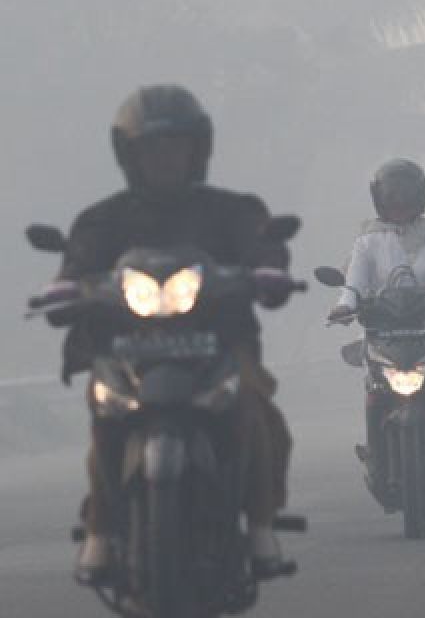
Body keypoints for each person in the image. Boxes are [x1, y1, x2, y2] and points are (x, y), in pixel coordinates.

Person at [55, 85, 295, 583]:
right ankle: (100, 529)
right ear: (130, 156)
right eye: (151, 150)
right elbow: (75, 268)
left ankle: (261, 527)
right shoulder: (102, 220)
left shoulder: (233, 211)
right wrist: (63, 290)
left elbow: (264, 249)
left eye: (175, 148)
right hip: (126, 353)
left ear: (197, 151)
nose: (164, 159)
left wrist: (270, 271)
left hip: (219, 346)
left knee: (255, 411)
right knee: (105, 415)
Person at [327, 158, 425, 428]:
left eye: (406, 195)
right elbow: (354, 282)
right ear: (379, 198)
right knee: (372, 382)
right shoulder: (368, 240)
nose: (399, 203)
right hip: (383, 329)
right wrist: (344, 306)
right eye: (392, 196)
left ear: (420, 196)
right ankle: (374, 446)